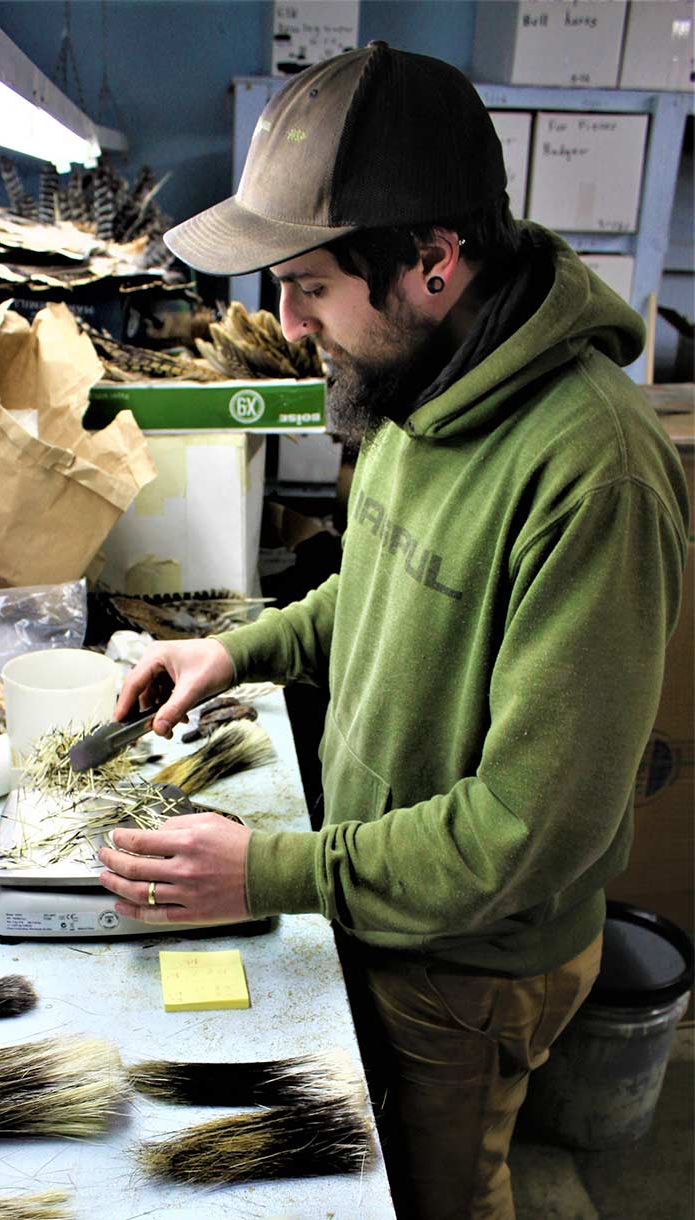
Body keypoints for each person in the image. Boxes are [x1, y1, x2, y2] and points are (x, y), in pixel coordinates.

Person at [96, 42, 689, 1220]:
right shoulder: (414, 387)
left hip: (473, 962)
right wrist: (239, 648)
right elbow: (374, 586)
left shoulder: (592, 472)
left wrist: (270, 869)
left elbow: (524, 832)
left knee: (436, 1193)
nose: (288, 318)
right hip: (381, 899)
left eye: (310, 284)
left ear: (431, 260)